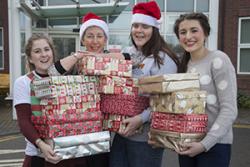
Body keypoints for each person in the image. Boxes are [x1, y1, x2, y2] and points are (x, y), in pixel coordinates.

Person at [109, 1, 179, 167]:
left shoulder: (163, 60)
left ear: (154, 30)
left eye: (145, 26)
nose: (139, 31)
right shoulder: (131, 54)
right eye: (135, 25)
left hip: (147, 138)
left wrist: (141, 119)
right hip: (123, 133)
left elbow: (167, 102)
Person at [173, 13, 238, 167]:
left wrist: (204, 144)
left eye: (194, 30)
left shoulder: (218, 59)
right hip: (188, 143)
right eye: (183, 32)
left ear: (206, 33)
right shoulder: (184, 66)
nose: (188, 36)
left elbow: (229, 110)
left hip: (215, 144)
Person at [13, 33, 88, 167]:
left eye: (47, 49)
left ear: (52, 53)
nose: (44, 54)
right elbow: (24, 121)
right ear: (30, 58)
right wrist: (41, 144)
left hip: (70, 154)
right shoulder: (23, 82)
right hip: (39, 155)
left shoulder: (66, 80)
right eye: (37, 51)